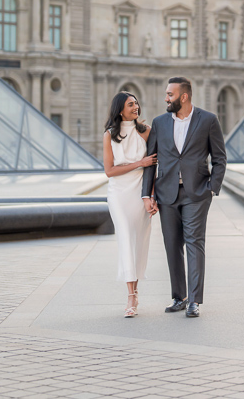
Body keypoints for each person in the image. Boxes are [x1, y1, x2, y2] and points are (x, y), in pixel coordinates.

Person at [142, 76, 227, 318]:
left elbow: (220, 158)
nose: (166, 98)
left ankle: (194, 301)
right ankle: (179, 297)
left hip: (196, 194)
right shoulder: (159, 123)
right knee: (172, 246)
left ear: (184, 96)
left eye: (170, 94)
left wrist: (212, 186)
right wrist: (146, 194)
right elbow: (152, 162)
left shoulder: (208, 120)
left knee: (194, 244)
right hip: (166, 193)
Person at [102, 91, 157, 318]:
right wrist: (139, 163)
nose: (136, 107)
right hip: (118, 194)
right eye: (130, 104)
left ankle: (135, 290)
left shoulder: (146, 132)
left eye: (136, 103)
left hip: (139, 193)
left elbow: (153, 168)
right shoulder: (109, 135)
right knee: (125, 238)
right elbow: (109, 170)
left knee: (138, 242)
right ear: (120, 109)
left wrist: (151, 196)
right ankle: (131, 296)